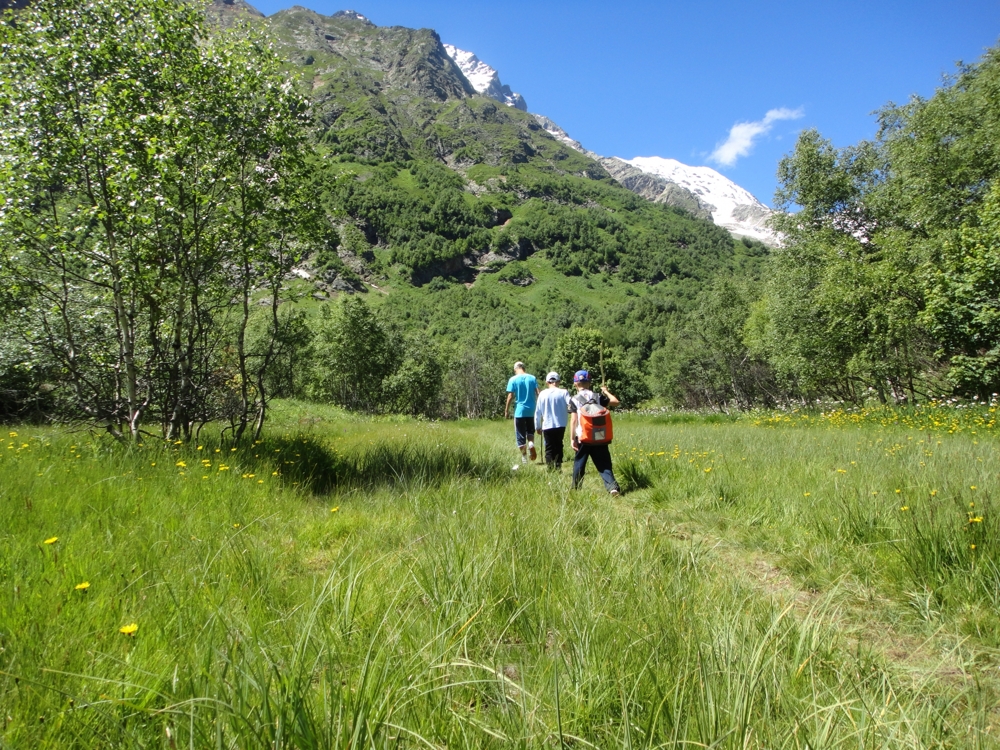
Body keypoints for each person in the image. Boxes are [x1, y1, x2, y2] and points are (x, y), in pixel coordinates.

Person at [568, 370, 621, 495]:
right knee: (604, 463)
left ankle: (576, 489)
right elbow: (616, 402)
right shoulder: (597, 396)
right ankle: (612, 487)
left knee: (579, 464)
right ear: (589, 382)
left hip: (583, 436)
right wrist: (606, 391)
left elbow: (574, 420)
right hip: (599, 435)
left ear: (575, 383)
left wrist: (572, 439)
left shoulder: (574, 399)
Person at [504, 361, 539, 464]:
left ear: (515, 369)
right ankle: (531, 443)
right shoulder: (532, 378)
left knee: (520, 434)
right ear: (524, 368)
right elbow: (538, 393)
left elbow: (510, 396)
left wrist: (506, 410)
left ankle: (524, 457)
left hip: (519, 411)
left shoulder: (513, 379)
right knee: (530, 431)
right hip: (532, 409)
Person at [534, 371, 570, 470]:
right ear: (558, 381)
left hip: (547, 424)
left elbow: (537, 411)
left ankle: (550, 468)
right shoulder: (564, 392)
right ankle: (558, 466)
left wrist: (537, 426)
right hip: (561, 424)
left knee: (549, 447)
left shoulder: (542, 394)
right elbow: (571, 404)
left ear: (547, 382)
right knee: (559, 445)